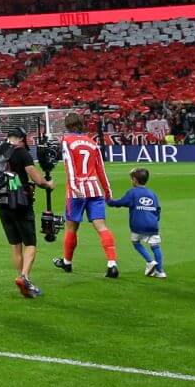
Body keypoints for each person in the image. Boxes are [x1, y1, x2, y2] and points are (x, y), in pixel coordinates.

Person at [0, 127, 51, 299]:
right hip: (21, 203)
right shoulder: (21, 152)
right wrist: (48, 184)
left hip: (1, 203)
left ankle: (21, 277)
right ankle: (24, 277)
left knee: (15, 244)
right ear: (22, 139)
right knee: (30, 243)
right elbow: (37, 179)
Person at [54, 115, 121, 279]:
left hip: (77, 191)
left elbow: (69, 165)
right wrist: (108, 191)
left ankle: (67, 262)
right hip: (94, 189)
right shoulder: (92, 142)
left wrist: (74, 186)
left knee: (71, 227)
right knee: (101, 226)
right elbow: (101, 169)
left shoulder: (67, 141)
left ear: (67, 126)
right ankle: (112, 263)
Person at [119, 167, 165, 277]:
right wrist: (155, 220)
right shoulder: (152, 193)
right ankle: (160, 271)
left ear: (134, 180)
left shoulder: (132, 192)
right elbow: (158, 209)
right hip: (153, 225)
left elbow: (122, 202)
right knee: (156, 246)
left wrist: (109, 201)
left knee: (135, 242)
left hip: (139, 226)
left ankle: (150, 261)